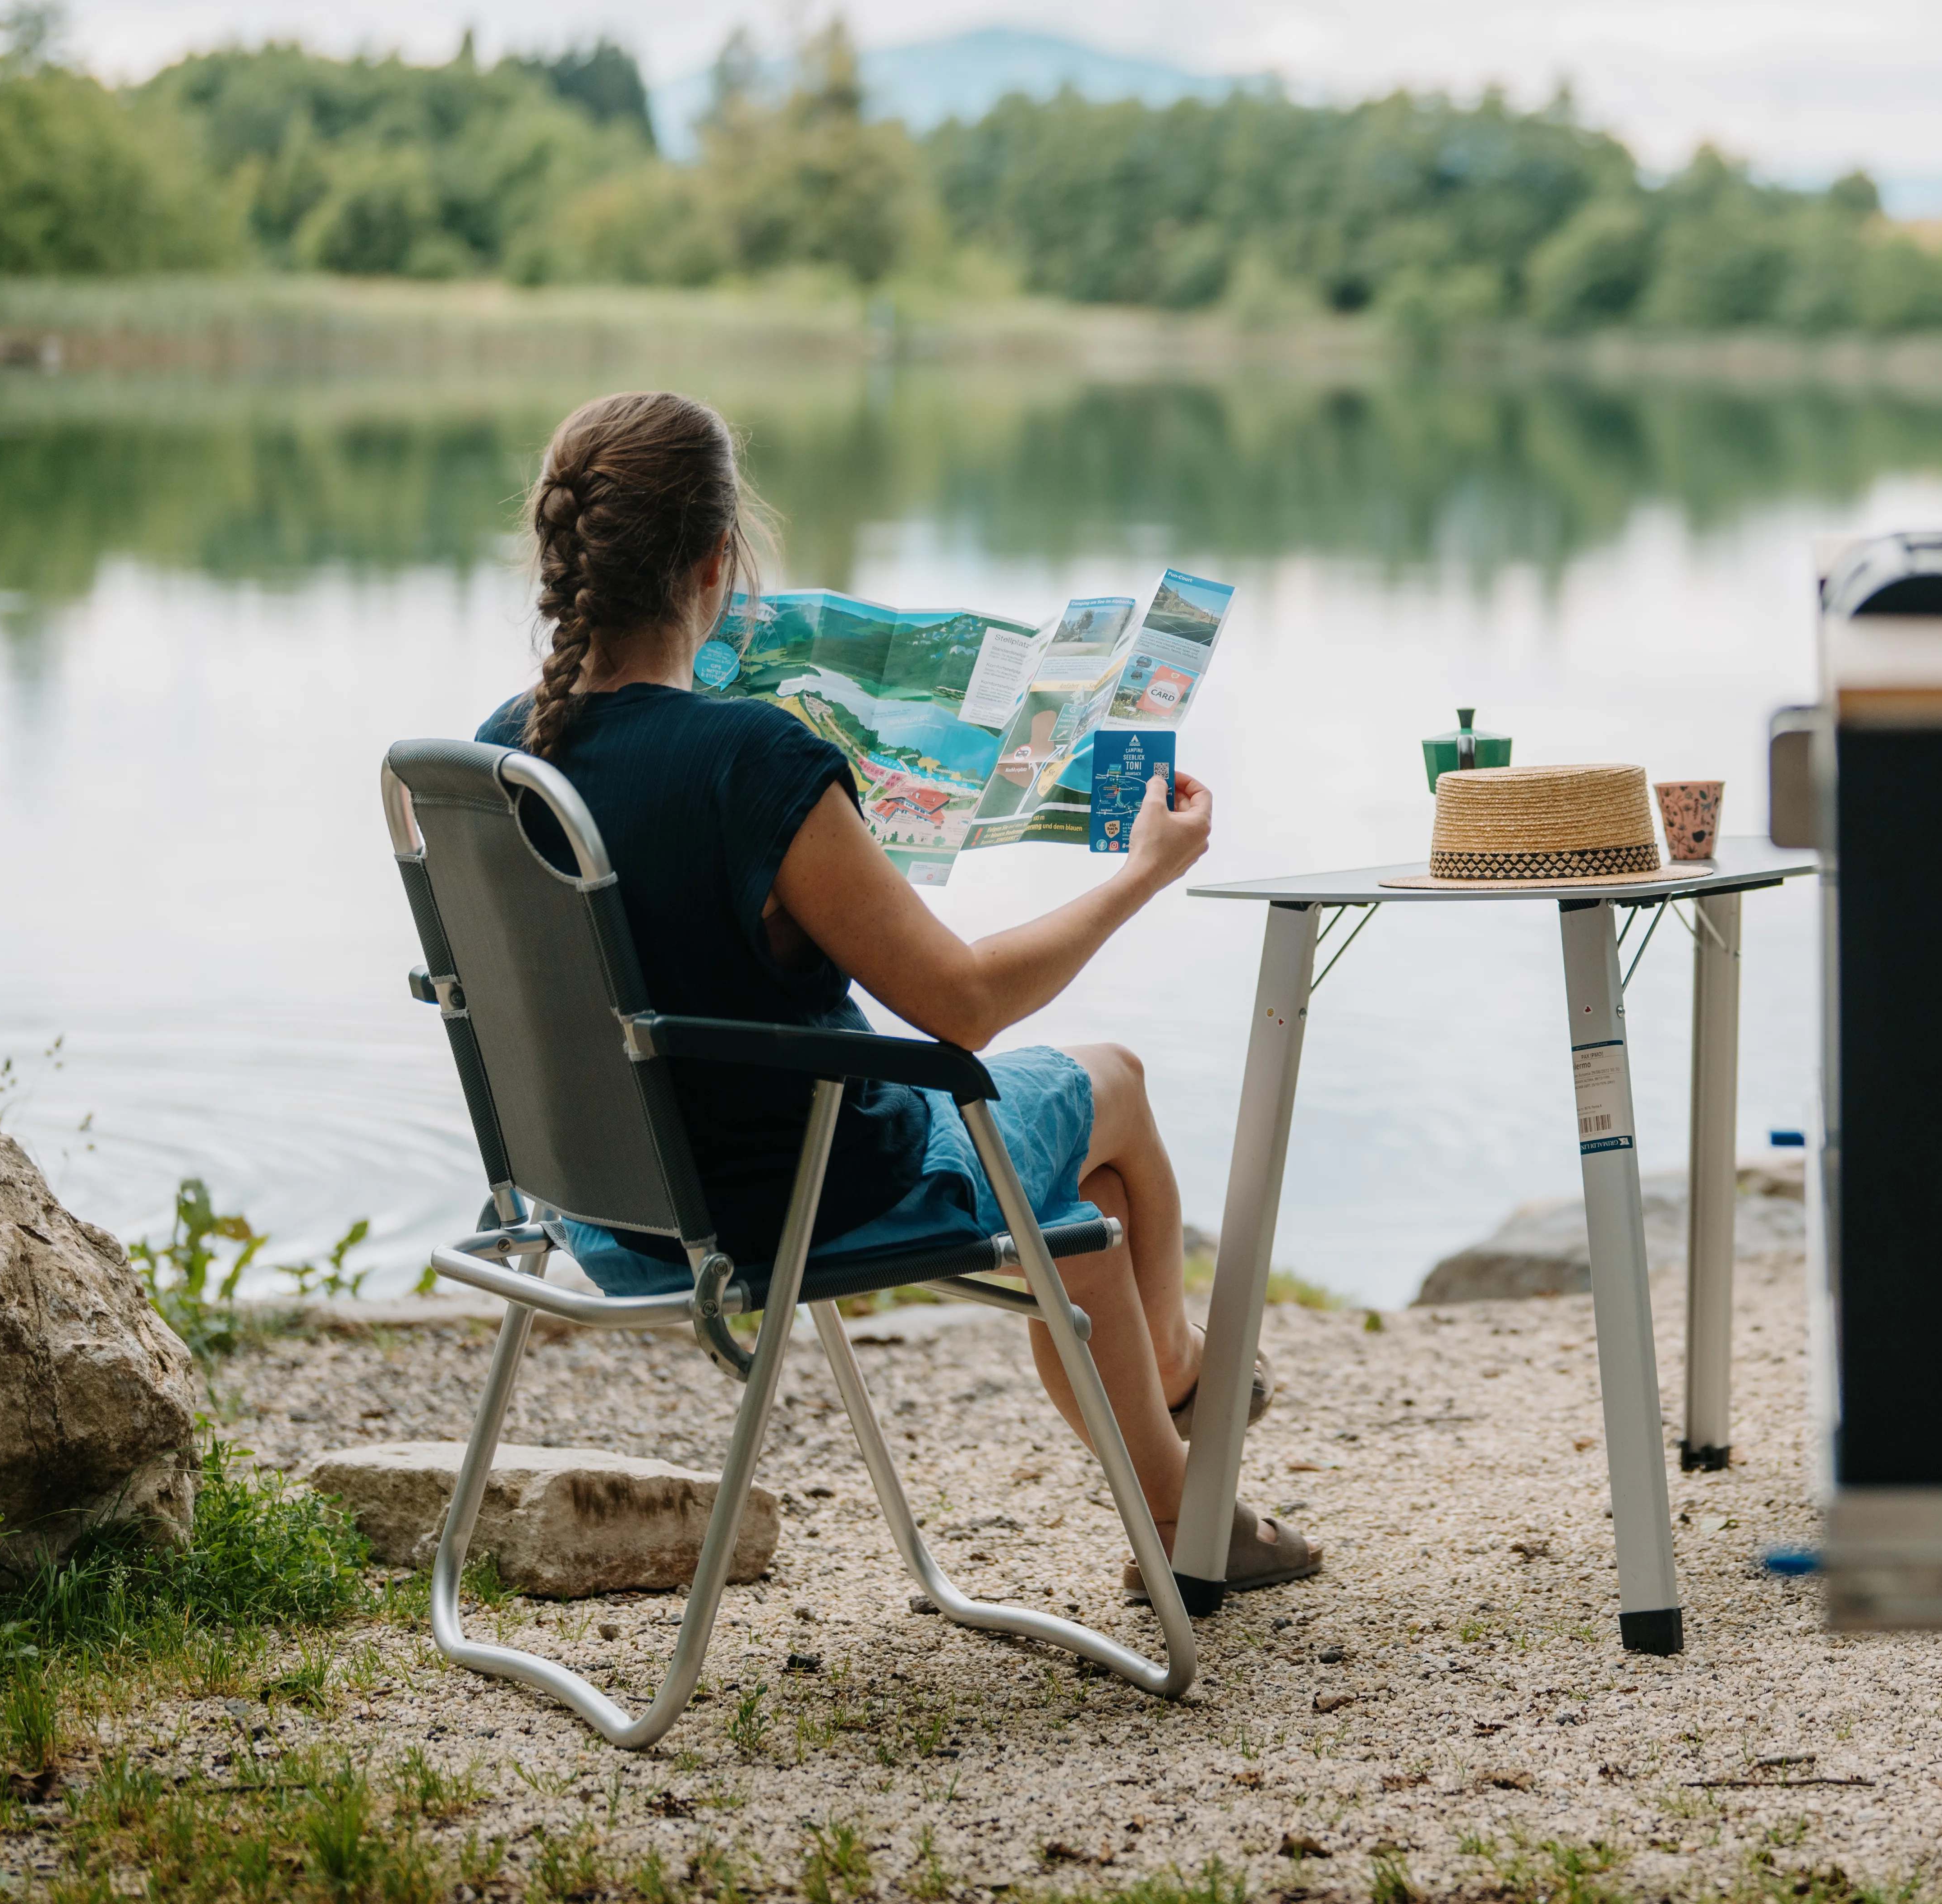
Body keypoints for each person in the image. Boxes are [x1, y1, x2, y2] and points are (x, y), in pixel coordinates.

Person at [477, 389, 1316, 1593]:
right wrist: (1145, 872)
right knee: (1113, 1088)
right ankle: (1185, 1380)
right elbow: (963, 1007)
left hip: (614, 1213)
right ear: (721, 565)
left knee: (1076, 1229)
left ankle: (1186, 1501)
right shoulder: (754, 758)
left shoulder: (508, 751)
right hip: (807, 1186)